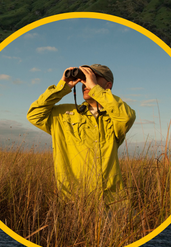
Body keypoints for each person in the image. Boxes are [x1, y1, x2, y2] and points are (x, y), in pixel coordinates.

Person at [26, 64, 136, 206]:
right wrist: (62, 86)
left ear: (108, 85)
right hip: (74, 201)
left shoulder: (114, 117)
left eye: (93, 77)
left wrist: (95, 89)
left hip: (113, 202)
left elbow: (127, 117)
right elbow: (34, 115)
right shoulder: (64, 114)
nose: (85, 82)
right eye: (84, 77)